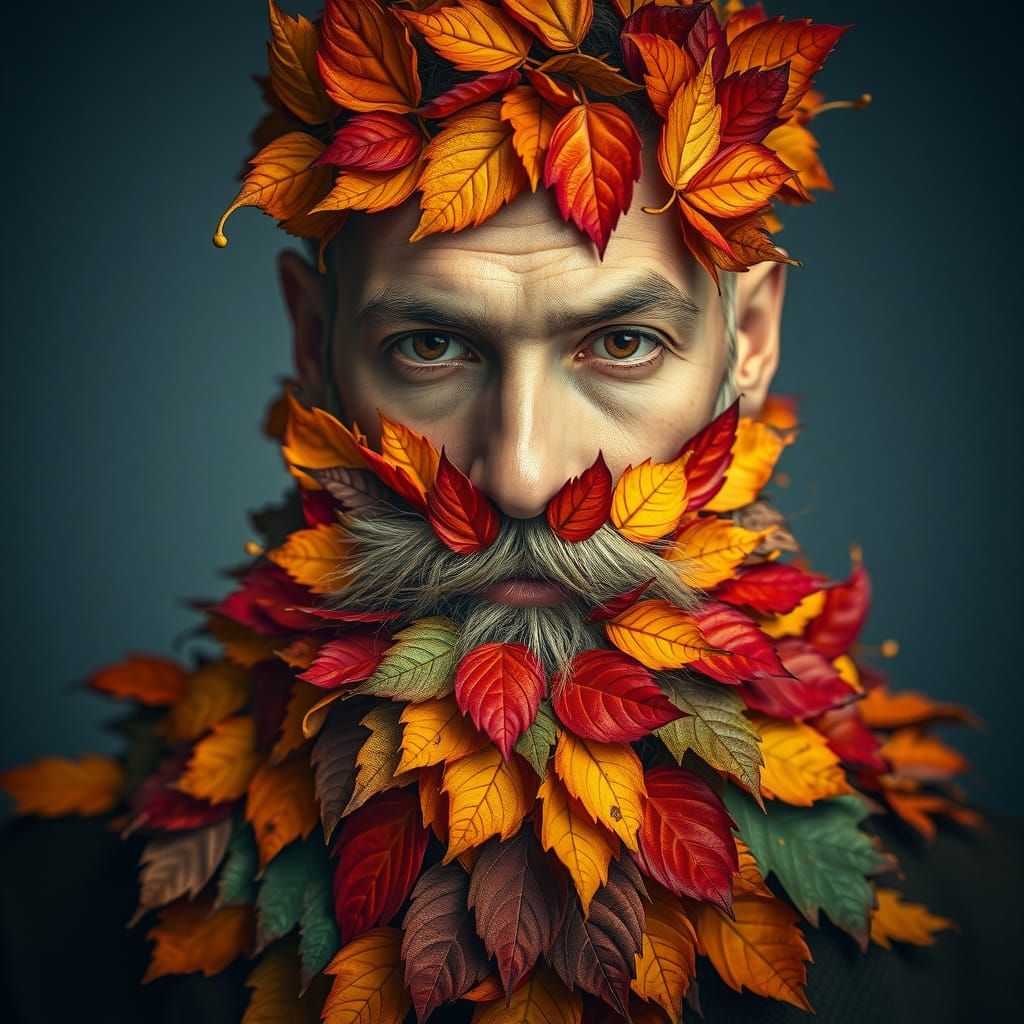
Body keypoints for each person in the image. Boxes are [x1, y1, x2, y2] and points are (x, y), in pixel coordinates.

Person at [1, 1, 1020, 1022]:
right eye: (431, 348)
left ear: (748, 337)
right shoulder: (49, 936)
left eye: (619, 343)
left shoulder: (992, 941)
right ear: (314, 344)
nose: (523, 475)